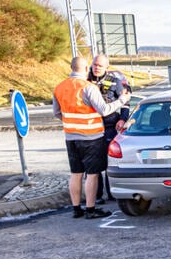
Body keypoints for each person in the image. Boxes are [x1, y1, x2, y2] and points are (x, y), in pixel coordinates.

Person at [52, 55, 131, 219]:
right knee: (93, 174)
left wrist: (72, 122)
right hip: (91, 136)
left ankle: (76, 209)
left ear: (71, 68)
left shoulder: (59, 87)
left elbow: (57, 113)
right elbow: (103, 110)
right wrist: (123, 99)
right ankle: (90, 209)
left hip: (71, 137)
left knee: (76, 173)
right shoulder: (87, 87)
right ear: (87, 68)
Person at [88, 54, 131, 202]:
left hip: (109, 126)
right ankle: (96, 195)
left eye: (100, 66)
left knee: (109, 162)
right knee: (93, 163)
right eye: (95, 65)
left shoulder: (115, 82)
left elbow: (125, 102)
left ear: (107, 67)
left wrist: (122, 118)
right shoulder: (85, 81)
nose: (96, 68)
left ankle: (112, 194)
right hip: (90, 127)